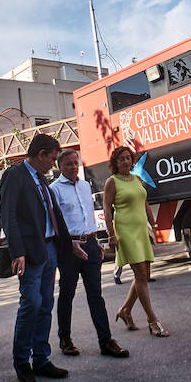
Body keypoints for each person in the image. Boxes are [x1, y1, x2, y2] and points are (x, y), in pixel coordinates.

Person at [0, 134, 72, 382]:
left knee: (44, 306)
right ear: (40, 154)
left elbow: (54, 213)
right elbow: (8, 216)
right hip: (30, 253)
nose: (53, 164)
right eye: (52, 159)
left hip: (49, 250)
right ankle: (22, 362)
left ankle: (41, 359)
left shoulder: (41, 178)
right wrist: (17, 251)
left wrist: (68, 243)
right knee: (30, 304)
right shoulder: (15, 175)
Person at [50, 149, 129, 359]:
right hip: (69, 249)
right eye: (68, 164)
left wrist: (96, 241)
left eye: (76, 163)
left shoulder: (85, 186)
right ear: (59, 167)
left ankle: (106, 341)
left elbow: (88, 215)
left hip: (91, 245)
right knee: (67, 294)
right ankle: (64, 338)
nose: (73, 167)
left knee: (96, 295)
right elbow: (55, 223)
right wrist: (69, 244)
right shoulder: (54, 190)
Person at [104, 146, 168, 337]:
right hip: (125, 232)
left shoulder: (137, 179)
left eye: (128, 158)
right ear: (115, 163)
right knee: (140, 274)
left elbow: (145, 203)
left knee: (144, 274)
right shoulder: (111, 182)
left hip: (141, 231)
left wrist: (153, 226)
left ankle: (125, 311)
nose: (126, 161)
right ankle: (152, 321)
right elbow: (107, 209)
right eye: (121, 159)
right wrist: (111, 234)